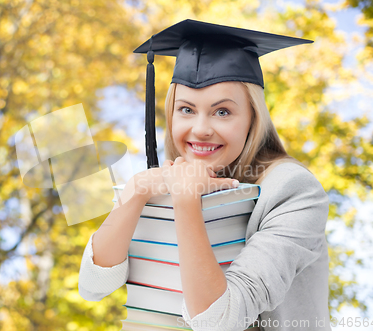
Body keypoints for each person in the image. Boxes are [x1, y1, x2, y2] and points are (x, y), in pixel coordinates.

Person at [78, 19, 331, 331]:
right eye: (186, 109)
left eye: (222, 112)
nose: (200, 129)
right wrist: (137, 193)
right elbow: (93, 288)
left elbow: (221, 321)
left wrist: (187, 201)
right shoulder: (164, 180)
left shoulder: (292, 190)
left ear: (253, 117)